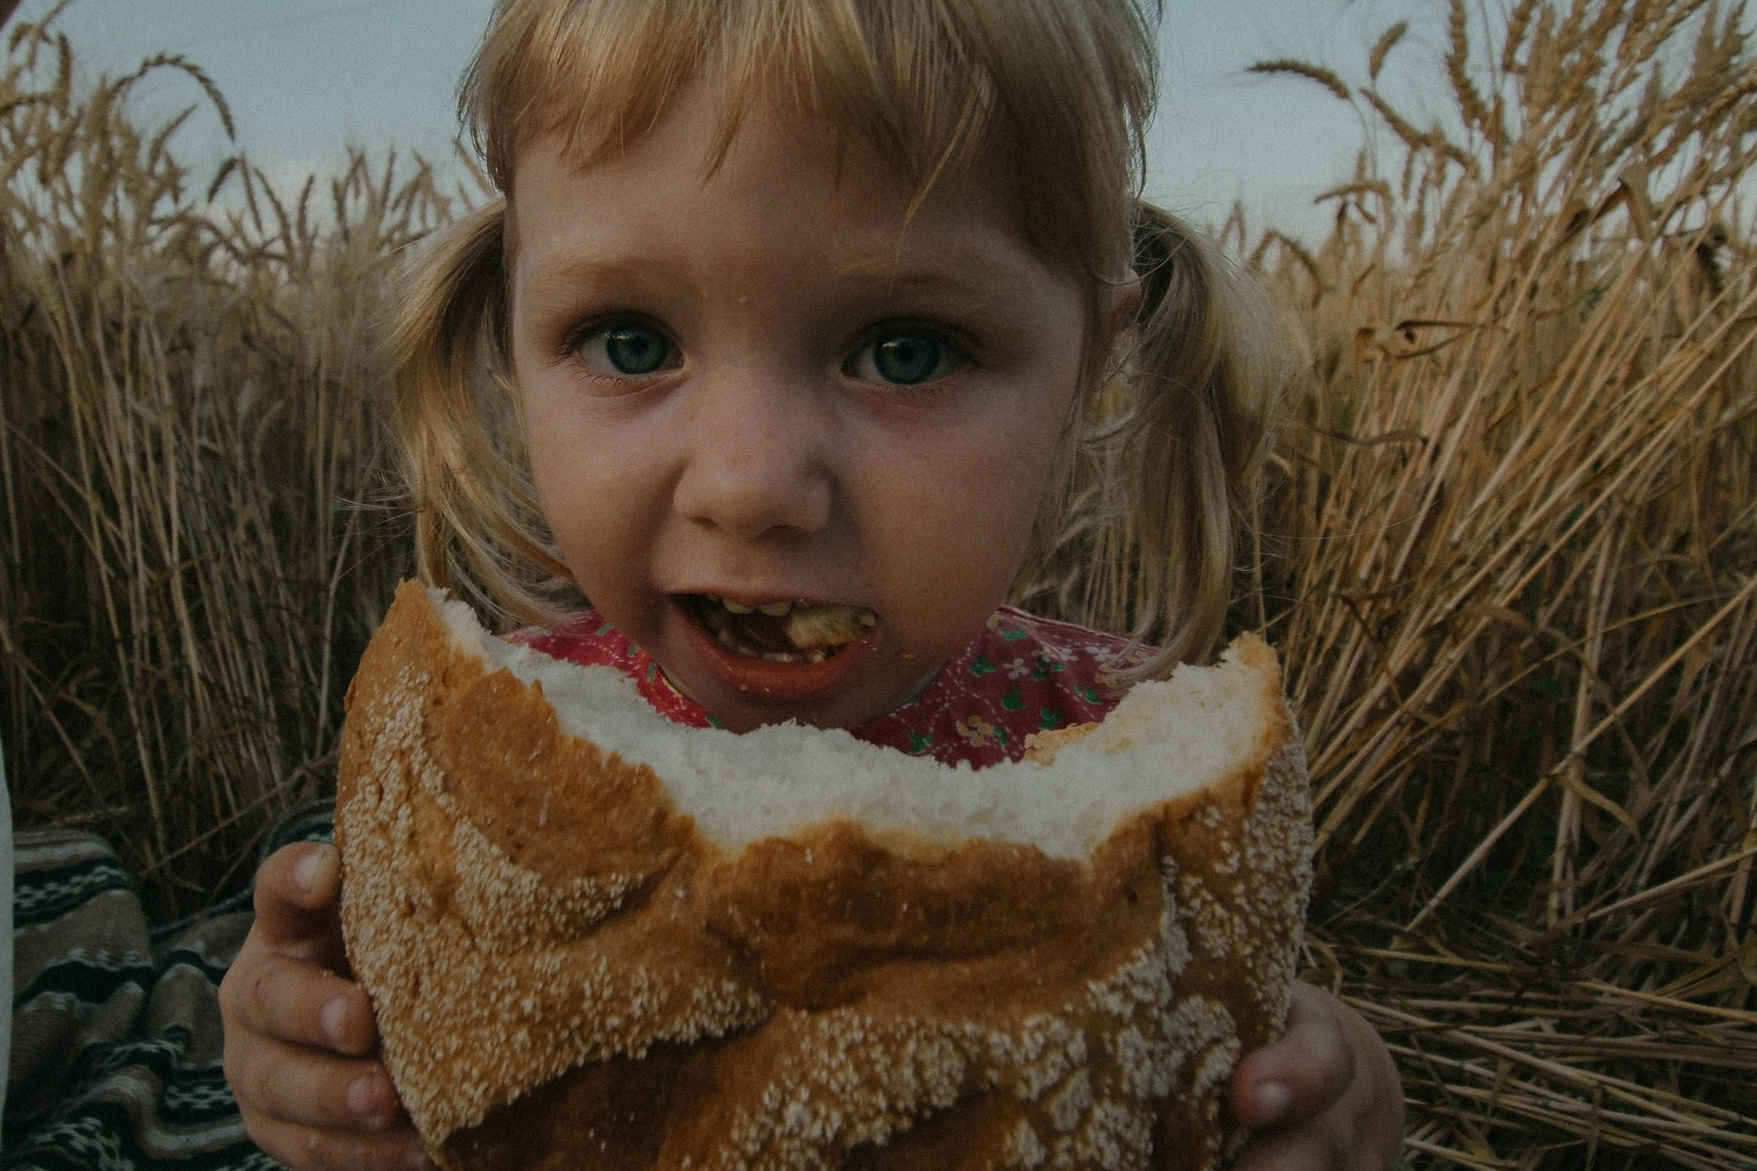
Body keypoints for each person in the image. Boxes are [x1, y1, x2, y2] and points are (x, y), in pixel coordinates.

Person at [219, 0, 1405, 1167]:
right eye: (631, 341)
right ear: (507, 339)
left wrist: (1323, 1086)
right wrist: (317, 1055)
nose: (748, 487)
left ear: (1091, 361)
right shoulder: (485, 782)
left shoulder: (1129, 778)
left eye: (903, 350)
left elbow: (1206, 1039)